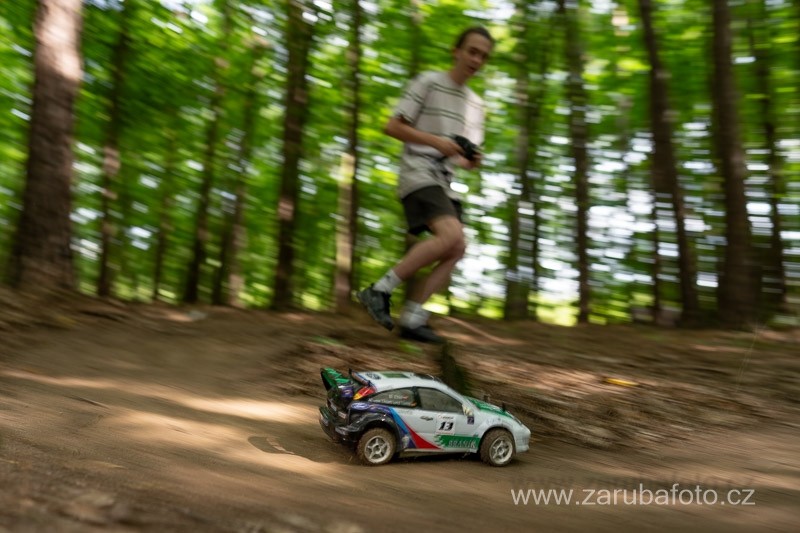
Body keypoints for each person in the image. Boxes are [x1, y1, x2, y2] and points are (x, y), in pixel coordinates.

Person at [357, 26, 494, 344]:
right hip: (417, 172)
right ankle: (379, 290)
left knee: (457, 248)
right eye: (472, 51)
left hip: (445, 181)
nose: (477, 60)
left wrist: (471, 160)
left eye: (484, 56)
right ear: (456, 51)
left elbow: (461, 158)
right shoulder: (428, 82)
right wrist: (436, 142)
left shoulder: (476, 105)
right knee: (451, 235)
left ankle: (413, 319)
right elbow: (392, 126)